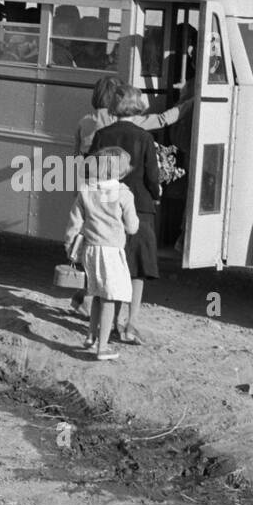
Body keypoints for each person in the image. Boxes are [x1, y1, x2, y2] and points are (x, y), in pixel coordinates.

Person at [89, 86, 161, 344]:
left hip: (107, 205)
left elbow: (91, 170)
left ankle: (103, 326)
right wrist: (157, 192)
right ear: (138, 106)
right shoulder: (145, 138)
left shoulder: (101, 134)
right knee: (137, 269)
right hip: (139, 206)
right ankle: (130, 324)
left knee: (112, 264)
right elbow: (153, 177)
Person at [63, 147, 140, 360]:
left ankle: (91, 336)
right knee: (109, 298)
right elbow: (132, 227)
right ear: (123, 171)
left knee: (96, 293)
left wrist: (70, 247)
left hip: (90, 250)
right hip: (111, 251)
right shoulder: (123, 194)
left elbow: (74, 223)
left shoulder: (87, 191)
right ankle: (103, 347)